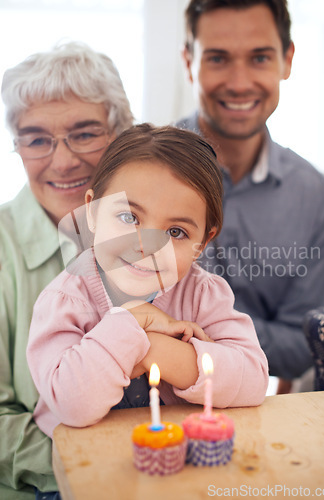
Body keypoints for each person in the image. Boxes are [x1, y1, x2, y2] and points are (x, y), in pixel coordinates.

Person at [26, 123, 268, 441]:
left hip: (176, 457)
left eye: (175, 232)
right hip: (85, 468)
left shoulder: (203, 294)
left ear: (203, 243)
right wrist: (132, 322)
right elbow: (73, 403)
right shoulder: (66, 300)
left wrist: (151, 348)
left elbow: (253, 380)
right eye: (129, 217)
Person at [176, 0, 324, 384]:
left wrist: (198, 330)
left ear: (287, 60)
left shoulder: (313, 195)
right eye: (217, 58)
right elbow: (116, 316)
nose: (239, 82)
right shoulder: (133, 175)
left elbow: (302, 346)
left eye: (260, 58)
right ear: (188, 63)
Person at [0, 42, 133, 500]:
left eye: (84, 133)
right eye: (37, 138)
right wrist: (99, 468)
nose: (63, 161)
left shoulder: (163, 232)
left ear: (121, 133)